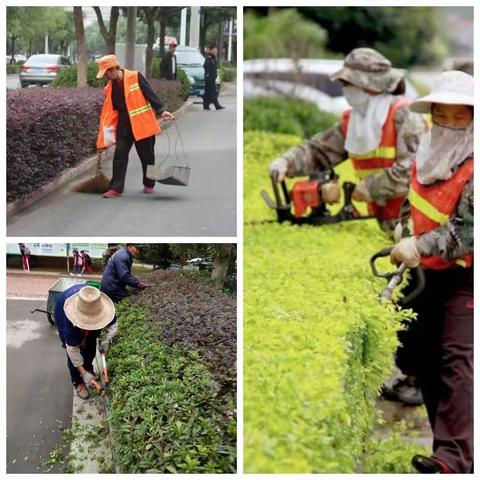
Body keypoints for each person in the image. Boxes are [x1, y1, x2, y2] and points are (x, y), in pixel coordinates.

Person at [390, 71, 473, 474]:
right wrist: (404, 227)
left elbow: (467, 231)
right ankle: (446, 448)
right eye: (446, 116)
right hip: (430, 274)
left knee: (457, 362)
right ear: (435, 116)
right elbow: (415, 201)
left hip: (466, 277)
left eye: (462, 118)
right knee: (419, 355)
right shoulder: (428, 152)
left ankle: (455, 461)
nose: (453, 125)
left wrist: (417, 246)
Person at [268, 48, 427, 232]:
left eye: (349, 83)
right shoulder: (354, 121)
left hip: (418, 218)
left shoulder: (405, 115)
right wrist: (286, 162)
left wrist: (369, 187)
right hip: (385, 219)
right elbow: (319, 151)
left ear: (370, 84)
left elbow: (414, 169)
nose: (345, 89)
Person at [95, 54, 175, 199]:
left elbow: (150, 94)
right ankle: (116, 188)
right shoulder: (109, 88)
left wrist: (161, 110)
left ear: (113, 69)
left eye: (106, 72)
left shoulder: (135, 76)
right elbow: (110, 112)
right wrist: (104, 136)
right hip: (124, 127)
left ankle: (149, 183)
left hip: (142, 125)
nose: (106, 76)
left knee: (147, 157)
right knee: (119, 155)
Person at [55, 285, 116, 400]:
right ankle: (78, 382)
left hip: (90, 310)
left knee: (90, 345)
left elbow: (113, 325)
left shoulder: (100, 306)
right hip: (63, 313)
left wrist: (107, 339)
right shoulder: (69, 318)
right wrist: (82, 373)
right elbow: (72, 349)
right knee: (74, 348)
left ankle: (88, 368)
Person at [203, 44, 225, 111]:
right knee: (213, 92)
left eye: (216, 50)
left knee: (208, 93)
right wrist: (208, 74)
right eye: (215, 50)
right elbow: (205, 66)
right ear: (211, 50)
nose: (216, 51)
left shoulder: (213, 57)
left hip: (212, 78)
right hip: (209, 78)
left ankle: (206, 105)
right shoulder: (209, 57)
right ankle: (217, 105)